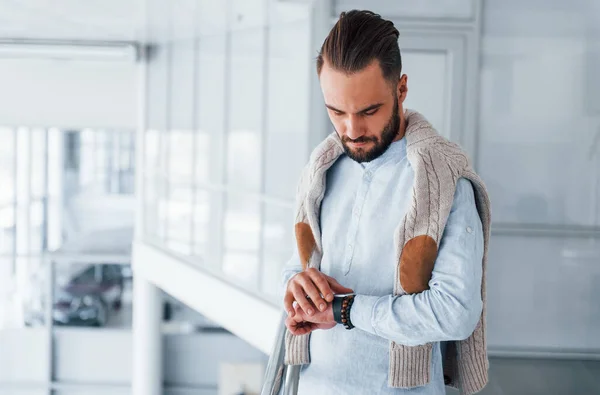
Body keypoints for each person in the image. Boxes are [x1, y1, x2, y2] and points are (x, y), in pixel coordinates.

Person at [281, 10, 491, 395]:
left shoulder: (444, 181)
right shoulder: (320, 171)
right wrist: (297, 284)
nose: (351, 129)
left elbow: (457, 312)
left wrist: (345, 311)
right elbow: (294, 267)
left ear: (401, 89)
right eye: (336, 111)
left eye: (368, 111)